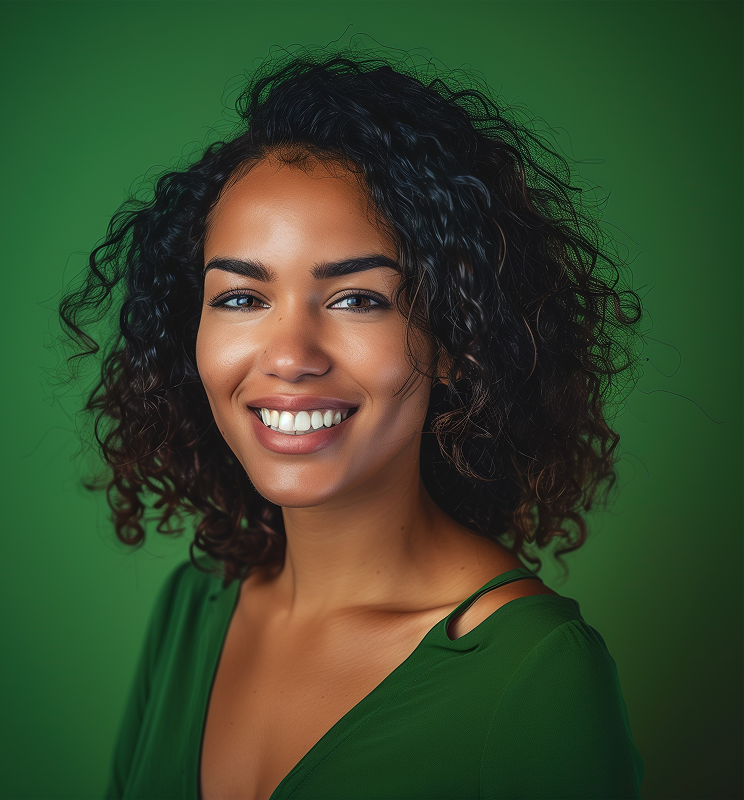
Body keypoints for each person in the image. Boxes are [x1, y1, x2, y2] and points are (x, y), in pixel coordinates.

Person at [60, 48, 645, 800]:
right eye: (241, 298)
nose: (290, 357)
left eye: (356, 299)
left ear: (458, 342)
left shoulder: (533, 671)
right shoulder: (193, 606)